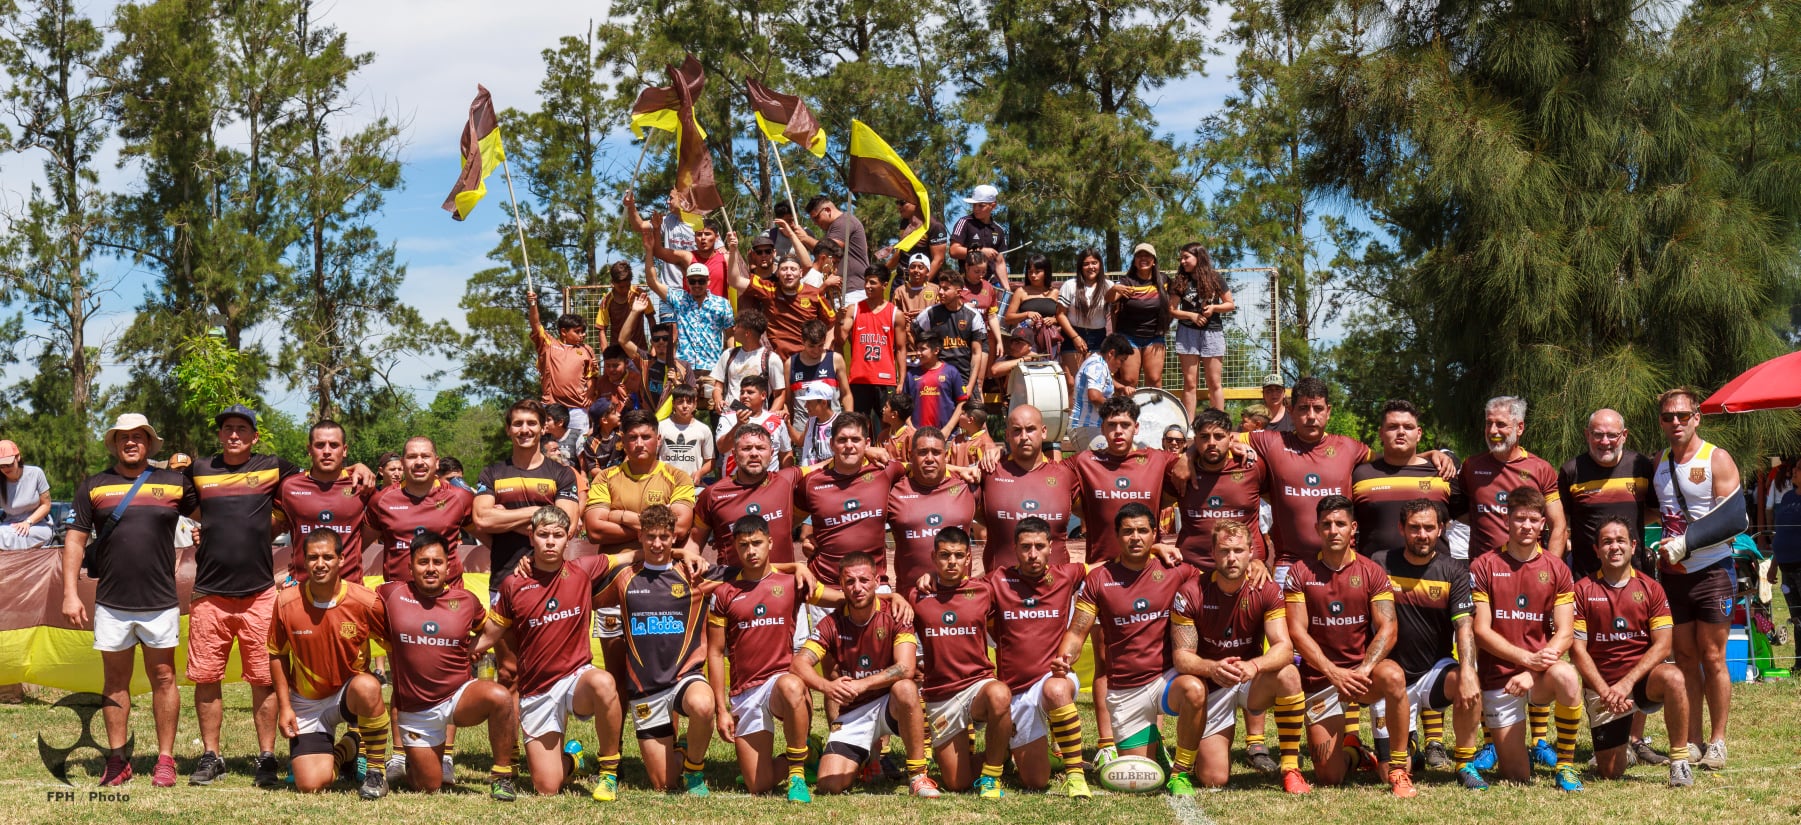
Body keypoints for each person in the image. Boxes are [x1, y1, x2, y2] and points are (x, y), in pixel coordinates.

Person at [190, 405, 365, 789]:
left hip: (266, 593)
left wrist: (360, 467)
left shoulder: (277, 469)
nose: (234, 435)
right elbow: (190, 502)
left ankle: (271, 756)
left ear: (255, 436)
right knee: (208, 677)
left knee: (268, 678)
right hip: (213, 591)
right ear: (219, 435)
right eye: (227, 428)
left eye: (242, 429)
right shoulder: (202, 470)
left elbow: (332, 477)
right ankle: (211, 755)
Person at [62, 413, 199, 787]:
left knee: (164, 678)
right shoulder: (94, 486)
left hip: (160, 601)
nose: (131, 442)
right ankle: (118, 760)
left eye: (138, 436)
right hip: (111, 603)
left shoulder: (174, 483)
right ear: (114, 444)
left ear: (149, 443)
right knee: (115, 681)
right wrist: (70, 593)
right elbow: (75, 540)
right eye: (123, 437)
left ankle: (166, 759)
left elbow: (213, 516)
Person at [472, 506, 628, 800]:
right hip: (538, 690)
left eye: (558, 535)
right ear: (531, 536)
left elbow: (632, 556)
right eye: (543, 535)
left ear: (568, 538)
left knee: (604, 682)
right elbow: (491, 633)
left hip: (576, 679)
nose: (551, 541)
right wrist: (462, 652)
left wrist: (681, 553)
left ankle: (608, 773)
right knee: (547, 787)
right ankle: (573, 759)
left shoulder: (583, 570)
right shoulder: (513, 584)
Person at [1056, 504, 1205, 794]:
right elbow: (1076, 631)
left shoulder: (1176, 571)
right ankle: (1154, 746)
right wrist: (1065, 659)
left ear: (1154, 535)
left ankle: (1181, 772)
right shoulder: (1100, 578)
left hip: (1165, 679)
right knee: (1142, 778)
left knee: (1195, 690)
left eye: (1142, 531)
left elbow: (1216, 580)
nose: (1135, 537)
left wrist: (1256, 565)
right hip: (1125, 691)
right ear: (1117, 536)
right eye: (1127, 532)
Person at [706, 515, 851, 802]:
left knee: (792, 684)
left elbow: (842, 599)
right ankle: (809, 752)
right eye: (744, 545)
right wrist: (721, 710)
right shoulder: (723, 593)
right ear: (735, 547)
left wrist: (889, 599)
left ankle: (797, 774)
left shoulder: (792, 583)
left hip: (779, 684)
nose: (751, 551)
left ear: (770, 542)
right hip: (746, 691)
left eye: (757, 543)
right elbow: (714, 652)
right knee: (758, 786)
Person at [1282, 495, 1416, 796]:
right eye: (1327, 524)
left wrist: (1363, 670)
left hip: (1362, 676)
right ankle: (1356, 754)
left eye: (1340, 524)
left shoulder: (1371, 571)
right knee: (1330, 777)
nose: (1334, 530)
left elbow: (1389, 628)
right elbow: (1297, 632)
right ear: (1317, 528)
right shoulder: (1300, 572)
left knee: (1393, 675)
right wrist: (1334, 673)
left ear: (1353, 528)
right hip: (1322, 678)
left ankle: (1397, 769)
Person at [1557, 408, 1667, 765]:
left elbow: (1653, 510)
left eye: (1611, 435)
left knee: (1637, 650)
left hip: (1635, 578)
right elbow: (1562, 520)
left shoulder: (1640, 466)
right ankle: (1607, 736)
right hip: (1587, 581)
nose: (1605, 441)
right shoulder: (1571, 471)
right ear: (1587, 435)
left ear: (1624, 435)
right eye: (1597, 434)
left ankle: (1634, 738)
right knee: (1596, 655)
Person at [374, 530, 519, 799]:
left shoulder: (466, 601)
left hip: (457, 697)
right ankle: (416, 762)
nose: (431, 568)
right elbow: (357, 607)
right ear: (410, 567)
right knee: (429, 785)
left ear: (448, 567)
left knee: (499, 697)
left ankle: (502, 776)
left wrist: (472, 649)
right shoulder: (390, 594)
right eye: (423, 562)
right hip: (417, 710)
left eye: (437, 562)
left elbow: (488, 629)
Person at [1170, 520, 1308, 793]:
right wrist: (1212, 668)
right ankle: (1196, 752)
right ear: (1213, 552)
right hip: (1213, 684)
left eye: (1238, 550)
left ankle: (1291, 768)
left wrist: (1254, 666)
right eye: (1224, 550)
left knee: (1289, 674)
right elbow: (1182, 658)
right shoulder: (1191, 592)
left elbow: (1283, 647)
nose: (1231, 558)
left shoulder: (1266, 589)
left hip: (1249, 680)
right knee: (1213, 778)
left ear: (1251, 552)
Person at [1648, 387, 1745, 771]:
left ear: (1697, 418)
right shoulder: (1659, 462)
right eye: (1668, 417)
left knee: (1713, 657)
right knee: (1685, 658)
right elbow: (1654, 511)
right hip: (1673, 577)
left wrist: (1685, 543)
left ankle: (1718, 742)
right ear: (1661, 422)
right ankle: (1693, 739)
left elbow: (1735, 519)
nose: (1676, 422)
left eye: (1683, 415)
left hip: (1713, 572)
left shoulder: (1716, 458)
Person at [793, 551, 938, 797]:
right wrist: (828, 687)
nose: (857, 588)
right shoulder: (831, 623)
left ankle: (918, 775)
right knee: (829, 785)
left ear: (877, 581)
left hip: (889, 705)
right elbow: (799, 664)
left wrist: (862, 684)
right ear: (841, 585)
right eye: (850, 581)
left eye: (864, 580)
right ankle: (867, 756)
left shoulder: (896, 613)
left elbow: (905, 667)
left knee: (905, 687)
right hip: (854, 712)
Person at [1469, 486, 1584, 790]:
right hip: (1501, 678)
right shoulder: (1484, 565)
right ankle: (1516, 752)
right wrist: (1525, 659)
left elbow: (1565, 633)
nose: (1526, 526)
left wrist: (1532, 670)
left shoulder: (1557, 568)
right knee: (1517, 776)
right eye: (1520, 519)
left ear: (1543, 524)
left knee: (1567, 676)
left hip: (1539, 675)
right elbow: (1481, 631)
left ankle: (1565, 767)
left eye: (1533, 520)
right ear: (1507, 520)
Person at [602, 505, 719, 795]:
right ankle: (680, 751)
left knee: (704, 705)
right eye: (651, 536)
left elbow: (752, 573)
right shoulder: (624, 577)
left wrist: (797, 567)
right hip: (645, 690)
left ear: (674, 537)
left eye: (664, 537)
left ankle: (694, 769)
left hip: (685, 678)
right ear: (640, 536)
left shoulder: (694, 573)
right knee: (663, 784)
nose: (657, 544)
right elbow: (576, 585)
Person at [1370, 500, 1486, 790]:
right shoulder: (1380, 563)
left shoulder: (1453, 570)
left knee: (1467, 679)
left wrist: (1468, 671)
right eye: (1414, 528)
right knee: (1390, 772)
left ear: (1440, 529)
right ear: (1401, 529)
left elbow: (1464, 626)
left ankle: (1465, 763)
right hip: (1392, 675)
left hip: (1434, 671)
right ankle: (1406, 746)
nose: (1422, 534)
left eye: (1429, 528)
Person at [1571, 517, 1693, 787]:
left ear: (1633, 546)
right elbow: (1577, 651)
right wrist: (1606, 691)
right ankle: (1621, 747)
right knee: (1610, 772)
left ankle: (1679, 762)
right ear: (1597, 550)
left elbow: (1663, 645)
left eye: (1620, 540)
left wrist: (1627, 684)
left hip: (1641, 682)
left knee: (1674, 677)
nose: (1614, 547)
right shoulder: (1582, 590)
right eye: (1607, 542)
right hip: (1604, 689)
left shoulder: (1651, 588)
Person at [268, 531, 391, 798]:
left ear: (341, 559)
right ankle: (350, 745)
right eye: (313, 557)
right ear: (304, 561)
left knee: (369, 686)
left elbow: (396, 646)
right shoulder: (286, 602)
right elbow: (277, 654)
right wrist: (285, 707)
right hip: (307, 702)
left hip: (349, 694)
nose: (320, 564)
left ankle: (375, 772)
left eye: (327, 557)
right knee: (310, 784)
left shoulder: (365, 602)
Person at [471, 400, 583, 683]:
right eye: (518, 423)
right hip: (503, 580)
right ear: (508, 429)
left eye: (532, 423)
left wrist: (505, 516)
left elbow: (566, 526)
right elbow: (482, 519)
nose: (525, 429)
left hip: (549, 582)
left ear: (543, 428)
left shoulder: (561, 474)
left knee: (552, 670)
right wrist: (538, 513)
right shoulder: (492, 473)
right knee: (509, 673)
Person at [984, 517, 1093, 797]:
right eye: (1026, 547)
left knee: (1056, 689)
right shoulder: (997, 580)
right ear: (1015, 548)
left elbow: (1110, 566)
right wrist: (927, 579)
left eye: (1039, 546)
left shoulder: (1067, 575)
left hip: (1054, 676)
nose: (1033, 554)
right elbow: (960, 589)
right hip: (1017, 692)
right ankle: (1021, 748)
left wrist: (1155, 549)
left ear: (1051, 547)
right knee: (1036, 781)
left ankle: (1075, 775)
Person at [907, 528, 1013, 797]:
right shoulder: (917, 596)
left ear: (968, 558)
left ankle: (991, 777)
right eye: (944, 555)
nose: (951, 562)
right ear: (933, 557)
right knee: (957, 783)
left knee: (1000, 694)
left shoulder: (984, 590)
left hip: (977, 686)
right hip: (941, 695)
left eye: (958, 555)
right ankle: (1004, 751)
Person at [1068, 395, 1186, 564]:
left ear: (1136, 428)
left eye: (1125, 425)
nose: (1118, 431)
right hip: (1100, 569)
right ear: (1102, 428)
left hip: (1148, 569)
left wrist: (1189, 455)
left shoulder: (1158, 460)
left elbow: (1201, 462)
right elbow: (1046, 472)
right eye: (1111, 424)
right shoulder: (1084, 461)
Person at [797, 414, 906, 586]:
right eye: (842, 440)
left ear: (867, 443)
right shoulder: (811, 481)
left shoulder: (886, 471)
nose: (849, 445)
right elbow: (788, 522)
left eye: (855, 439)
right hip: (826, 585)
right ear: (831, 444)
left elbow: (925, 469)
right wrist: (807, 538)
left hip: (873, 585)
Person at [1352, 399, 1467, 559]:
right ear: (1381, 433)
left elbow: (1476, 520)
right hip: (1375, 572)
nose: (1401, 432)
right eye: (1393, 426)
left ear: (1418, 434)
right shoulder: (1361, 475)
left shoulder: (1442, 472)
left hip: (1434, 573)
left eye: (1408, 427)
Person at [1461, 395, 1567, 559]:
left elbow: (1558, 526)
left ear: (1519, 428)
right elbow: (1458, 512)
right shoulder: (1471, 466)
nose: (1493, 431)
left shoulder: (1541, 469)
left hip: (1529, 567)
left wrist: (1551, 567)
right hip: (1484, 569)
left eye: (1501, 424)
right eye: (1488, 423)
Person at [978, 405, 1081, 572]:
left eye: (1031, 429)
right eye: (1017, 430)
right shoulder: (989, 471)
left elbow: (1095, 517)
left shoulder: (1065, 475)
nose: (1024, 437)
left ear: (1044, 432)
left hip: (1055, 584)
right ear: (1007, 435)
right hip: (1001, 584)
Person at [366, 437, 476, 583]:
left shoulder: (460, 497)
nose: (419, 462)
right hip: (398, 593)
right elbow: (356, 548)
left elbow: (491, 541)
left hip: (448, 593)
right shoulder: (381, 500)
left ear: (436, 462)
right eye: (412, 457)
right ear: (403, 463)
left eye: (425, 456)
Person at [276, 420, 373, 585]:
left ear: (344, 450)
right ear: (309, 450)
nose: (327, 451)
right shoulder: (288, 487)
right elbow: (265, 532)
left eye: (334, 445)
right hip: (301, 587)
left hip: (350, 587)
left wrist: (352, 550)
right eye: (320, 445)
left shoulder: (362, 485)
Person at [693, 425, 804, 566]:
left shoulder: (787, 479)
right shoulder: (712, 494)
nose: (754, 453)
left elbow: (827, 467)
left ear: (771, 453)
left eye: (761, 448)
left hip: (782, 579)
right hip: (733, 579)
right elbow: (693, 543)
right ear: (734, 454)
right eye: (746, 448)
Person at [1171, 408, 1268, 570]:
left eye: (1219, 436)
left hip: (1248, 570)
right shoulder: (1179, 471)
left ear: (1231, 439)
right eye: (1204, 437)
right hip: (1193, 570)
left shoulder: (1253, 466)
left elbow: (1281, 503)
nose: (1211, 443)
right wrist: (1187, 455)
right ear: (1195, 441)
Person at [887, 427, 979, 590]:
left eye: (936, 452)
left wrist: (996, 452)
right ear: (911, 455)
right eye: (923, 452)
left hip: (958, 596)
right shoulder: (893, 490)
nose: (929, 458)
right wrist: (867, 450)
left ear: (945, 455)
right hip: (909, 598)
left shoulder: (968, 486)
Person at [527, 295, 598, 458]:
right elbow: (536, 324)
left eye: (583, 331)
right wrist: (533, 304)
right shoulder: (549, 345)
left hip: (578, 409)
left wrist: (589, 393)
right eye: (577, 331)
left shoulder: (586, 350)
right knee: (548, 448)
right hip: (552, 407)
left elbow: (592, 375)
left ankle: (581, 474)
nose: (582, 335)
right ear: (564, 332)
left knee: (581, 449)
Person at [731, 250, 836, 359]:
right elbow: (735, 281)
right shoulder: (769, 290)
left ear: (801, 273)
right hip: (777, 361)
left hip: (808, 360)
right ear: (777, 273)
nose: (789, 273)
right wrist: (733, 250)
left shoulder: (815, 294)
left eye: (793, 269)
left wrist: (825, 350)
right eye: (784, 269)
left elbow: (832, 324)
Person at [1168, 244, 1233, 413]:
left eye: (1186, 257)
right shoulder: (1180, 280)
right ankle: (1189, 423)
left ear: (1199, 257)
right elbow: (1172, 309)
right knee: (1190, 383)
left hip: (1212, 332)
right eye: (1181, 258)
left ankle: (1218, 421)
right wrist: (1192, 316)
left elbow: (1230, 304)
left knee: (1214, 382)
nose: (1183, 261)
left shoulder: (1215, 278)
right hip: (1187, 333)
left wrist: (1214, 308)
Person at [839, 267, 906, 427]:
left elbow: (901, 348)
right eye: (866, 281)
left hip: (885, 379)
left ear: (884, 285)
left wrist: (901, 380)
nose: (867, 286)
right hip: (859, 378)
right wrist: (837, 321)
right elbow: (840, 340)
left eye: (872, 282)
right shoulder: (854, 309)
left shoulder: (895, 313)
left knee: (888, 425)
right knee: (858, 425)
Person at [912, 270, 988, 391]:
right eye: (940, 288)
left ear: (958, 292)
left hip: (965, 378)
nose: (940, 292)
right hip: (938, 380)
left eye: (946, 289)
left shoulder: (973, 316)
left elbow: (976, 353)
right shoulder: (930, 313)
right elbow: (911, 333)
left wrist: (971, 385)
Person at [1109, 242, 1168, 393]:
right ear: (1134, 261)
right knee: (1129, 381)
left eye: (1147, 256)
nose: (1143, 259)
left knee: (1154, 379)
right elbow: (1109, 299)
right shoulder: (1126, 281)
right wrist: (1114, 288)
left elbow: (1173, 305)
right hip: (1128, 337)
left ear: (1154, 261)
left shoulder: (1164, 280)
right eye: (1139, 256)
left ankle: (1153, 409)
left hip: (1155, 337)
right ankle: (1125, 409)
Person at [715, 375, 793, 476]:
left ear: (763, 395)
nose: (744, 396)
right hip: (735, 481)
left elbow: (786, 454)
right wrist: (738, 425)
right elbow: (722, 448)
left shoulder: (776, 420)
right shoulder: (727, 418)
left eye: (750, 392)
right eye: (742, 392)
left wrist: (787, 479)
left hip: (769, 482)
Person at [712, 308, 785, 415]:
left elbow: (780, 394)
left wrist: (768, 418)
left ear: (747, 333)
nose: (733, 329)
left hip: (757, 420)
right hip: (729, 417)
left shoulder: (771, 359)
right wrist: (718, 400)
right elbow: (718, 386)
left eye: (737, 326)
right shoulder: (728, 355)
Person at [1069, 333, 1134, 449]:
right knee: (1107, 458)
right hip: (1085, 427)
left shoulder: (1099, 363)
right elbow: (1094, 396)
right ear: (1111, 353)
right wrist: (1118, 408)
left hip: (1094, 427)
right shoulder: (1097, 366)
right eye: (1121, 360)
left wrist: (1121, 388)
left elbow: (1104, 381)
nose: (1121, 365)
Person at [1057, 249, 1110, 390]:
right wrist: (1075, 337)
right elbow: (1060, 314)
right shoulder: (1070, 285)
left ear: (1100, 264)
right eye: (1086, 264)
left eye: (1094, 263)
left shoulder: (1108, 286)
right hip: (1073, 335)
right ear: (1080, 267)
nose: (1091, 267)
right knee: (1073, 383)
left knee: (1094, 384)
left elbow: (1115, 313)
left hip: (1098, 336)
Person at [786, 319, 852, 429]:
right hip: (802, 430)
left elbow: (846, 394)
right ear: (803, 341)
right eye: (811, 346)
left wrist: (849, 423)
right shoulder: (790, 364)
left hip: (832, 429)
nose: (816, 351)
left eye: (820, 345)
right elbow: (788, 401)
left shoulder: (835, 359)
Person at [797, 193, 869, 287]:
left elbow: (828, 250)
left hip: (852, 288)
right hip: (845, 288)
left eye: (816, 218)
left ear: (827, 210)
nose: (815, 223)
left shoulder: (843, 222)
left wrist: (805, 238)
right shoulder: (836, 226)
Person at [900, 333, 966, 432]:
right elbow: (903, 405)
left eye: (922, 349)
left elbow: (962, 402)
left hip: (947, 436)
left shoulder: (951, 372)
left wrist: (947, 429)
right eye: (917, 349)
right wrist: (911, 429)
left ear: (936, 350)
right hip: (917, 435)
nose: (918, 353)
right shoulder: (911, 375)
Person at [949, 184, 1009, 288]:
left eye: (981, 205)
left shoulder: (999, 230)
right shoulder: (964, 222)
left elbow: (999, 262)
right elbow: (953, 251)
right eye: (974, 205)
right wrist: (980, 251)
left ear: (993, 205)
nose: (976, 208)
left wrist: (1007, 288)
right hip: (966, 284)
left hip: (991, 285)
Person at [1773, 460, 1801, 670]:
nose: (1793, 471)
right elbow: (1780, 533)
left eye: (1799, 468)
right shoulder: (1787, 497)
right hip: (1785, 567)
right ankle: (1799, 664)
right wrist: (1773, 564)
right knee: (1797, 618)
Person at [635, 321, 696, 416]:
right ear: (652, 342)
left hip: (676, 418)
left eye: (665, 338)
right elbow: (623, 340)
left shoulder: (684, 365)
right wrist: (635, 313)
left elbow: (693, 394)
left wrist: (676, 382)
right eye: (656, 339)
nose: (661, 341)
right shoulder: (646, 361)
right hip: (650, 417)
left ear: (671, 340)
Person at [657, 385, 715, 481]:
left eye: (689, 402)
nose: (685, 406)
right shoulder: (661, 426)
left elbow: (710, 460)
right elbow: (652, 456)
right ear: (673, 403)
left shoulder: (703, 429)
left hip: (691, 484)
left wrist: (700, 473)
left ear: (695, 404)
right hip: (665, 482)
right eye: (680, 402)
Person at [0, 440, 51, 550]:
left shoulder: (36, 473)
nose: (5, 468)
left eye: (9, 464)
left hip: (36, 525)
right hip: (8, 526)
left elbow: (46, 505)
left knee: (17, 534)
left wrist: (28, 522)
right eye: (1, 466)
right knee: (8, 533)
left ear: (18, 457)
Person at [594, 260, 648, 354]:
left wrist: (654, 348)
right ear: (612, 282)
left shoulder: (640, 294)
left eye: (628, 285)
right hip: (618, 354)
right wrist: (606, 354)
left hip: (639, 350)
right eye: (621, 287)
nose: (625, 289)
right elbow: (602, 329)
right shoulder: (606, 301)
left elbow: (651, 318)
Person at [792, 381, 842, 467]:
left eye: (809, 402)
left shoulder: (840, 424)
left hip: (827, 474)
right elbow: (800, 442)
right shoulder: (810, 422)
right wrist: (787, 424)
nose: (805, 406)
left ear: (823, 403)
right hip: (808, 473)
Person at [891, 252, 941, 324]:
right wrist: (901, 316)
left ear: (927, 272)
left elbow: (941, 313)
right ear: (908, 270)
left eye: (920, 267)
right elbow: (893, 315)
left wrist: (926, 314)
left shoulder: (936, 290)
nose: (916, 270)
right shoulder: (899, 291)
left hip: (929, 330)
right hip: (906, 330)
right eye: (912, 267)